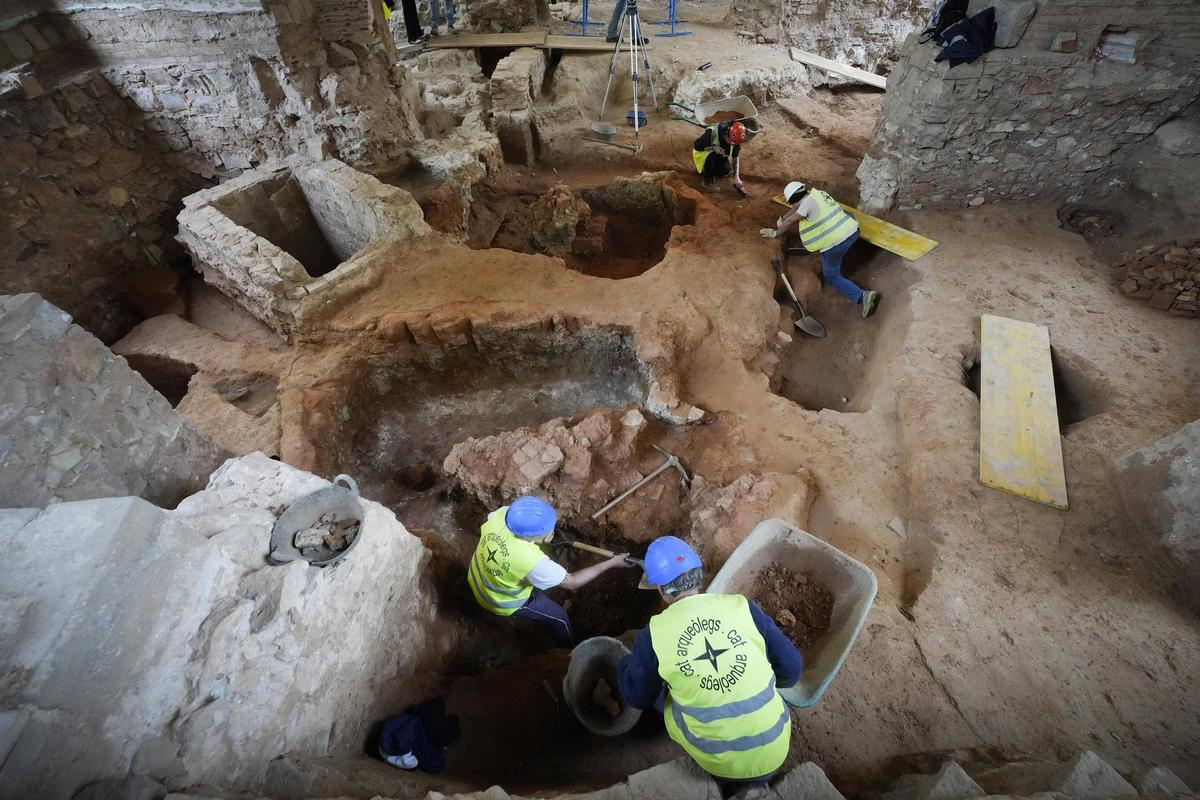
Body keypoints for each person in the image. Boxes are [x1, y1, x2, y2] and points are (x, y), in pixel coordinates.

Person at [617, 536, 801, 789]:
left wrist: (623, 667)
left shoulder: (656, 633)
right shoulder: (741, 607)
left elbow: (638, 698)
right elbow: (791, 671)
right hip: (776, 746)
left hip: (719, 763)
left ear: (659, 589)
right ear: (699, 574)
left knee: (661, 695)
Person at [467, 496, 635, 647]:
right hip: (498, 599)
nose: (550, 532)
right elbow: (572, 582)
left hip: (476, 575)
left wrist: (539, 537)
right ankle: (567, 651)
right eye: (545, 531)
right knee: (560, 619)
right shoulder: (532, 561)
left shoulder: (502, 516)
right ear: (529, 536)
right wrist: (611, 563)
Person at [763, 180, 879, 318]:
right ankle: (819, 247)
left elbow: (790, 221)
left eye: (791, 202)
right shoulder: (817, 195)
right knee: (827, 224)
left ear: (793, 200)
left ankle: (862, 296)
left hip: (837, 243)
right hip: (853, 231)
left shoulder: (805, 206)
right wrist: (782, 217)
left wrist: (776, 232)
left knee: (831, 275)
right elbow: (795, 210)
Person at [692, 120, 748, 195]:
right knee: (712, 155)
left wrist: (737, 177)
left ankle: (710, 171)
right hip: (703, 155)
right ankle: (707, 181)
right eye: (730, 142)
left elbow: (735, 157)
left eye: (734, 144)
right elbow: (697, 146)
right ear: (727, 134)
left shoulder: (735, 140)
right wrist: (713, 148)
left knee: (725, 169)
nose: (732, 144)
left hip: (718, 156)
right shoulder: (711, 132)